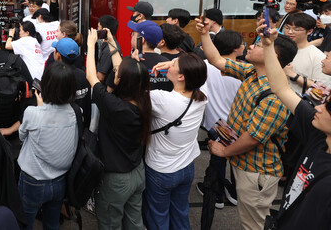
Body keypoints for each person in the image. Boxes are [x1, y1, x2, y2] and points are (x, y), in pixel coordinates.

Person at [197, 15, 298, 230]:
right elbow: (217, 60)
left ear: (273, 54)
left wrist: (224, 152)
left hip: (257, 172)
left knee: (254, 225)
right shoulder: (252, 72)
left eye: (260, 44)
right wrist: (205, 34)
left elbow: (252, 138)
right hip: (245, 165)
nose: (251, 45)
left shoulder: (275, 95)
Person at [259, 20, 331, 229]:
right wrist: (268, 46)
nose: (317, 107)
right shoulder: (317, 135)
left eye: (327, 108)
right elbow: (281, 88)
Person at [86, 29, 151, 230]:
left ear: (122, 81)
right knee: (134, 222)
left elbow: (91, 75)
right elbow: (120, 66)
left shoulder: (115, 107)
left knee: (110, 224)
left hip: (116, 180)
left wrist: (90, 45)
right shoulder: (144, 98)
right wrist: (112, 41)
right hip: (137, 172)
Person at [144, 53, 208, 230]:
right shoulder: (201, 96)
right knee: (180, 213)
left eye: (173, 64)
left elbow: (131, 90)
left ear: (181, 76)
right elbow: (201, 70)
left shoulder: (161, 99)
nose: (168, 66)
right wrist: (172, 64)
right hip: (186, 167)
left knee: (158, 217)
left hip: (161, 170)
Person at [17, 61, 78, 230]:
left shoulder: (32, 113)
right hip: (60, 181)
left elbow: (22, 135)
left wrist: (39, 108)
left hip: (32, 181)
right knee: (52, 223)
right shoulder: (74, 112)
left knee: (25, 223)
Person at [195, 30, 245, 209]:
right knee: (237, 159)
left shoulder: (205, 66)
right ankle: (234, 193)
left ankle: (215, 194)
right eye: (242, 43)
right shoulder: (244, 70)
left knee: (218, 158)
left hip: (214, 124)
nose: (244, 46)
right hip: (238, 125)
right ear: (234, 48)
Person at [282, 13, 331, 93]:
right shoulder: (280, 49)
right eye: (287, 28)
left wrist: (293, 75)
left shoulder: (318, 57)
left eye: (296, 29)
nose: (289, 32)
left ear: (310, 31)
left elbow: (322, 90)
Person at [52, 37, 92, 128]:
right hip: (83, 126)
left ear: (58, 55)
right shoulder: (84, 75)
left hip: (65, 128)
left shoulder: (58, 78)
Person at [128, 20, 173, 91]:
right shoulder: (168, 64)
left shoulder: (127, 63)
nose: (131, 36)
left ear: (142, 40)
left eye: (133, 34)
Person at [96, 15, 120, 83]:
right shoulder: (112, 43)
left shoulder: (108, 50)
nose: (97, 29)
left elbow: (100, 77)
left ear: (104, 30)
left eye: (98, 26)